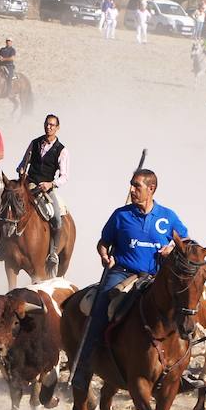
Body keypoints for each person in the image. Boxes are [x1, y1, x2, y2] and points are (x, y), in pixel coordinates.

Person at [72, 168, 187, 392]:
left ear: (151, 189)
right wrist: (104, 255)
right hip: (122, 273)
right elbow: (103, 242)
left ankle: (182, 370)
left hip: (155, 278)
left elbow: (185, 241)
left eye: (137, 186)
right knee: (100, 307)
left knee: (182, 312)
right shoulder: (121, 215)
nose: (132, 190)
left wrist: (172, 246)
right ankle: (83, 367)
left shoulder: (168, 216)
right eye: (132, 185)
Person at [10, 114, 69, 271]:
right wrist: (21, 170)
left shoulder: (62, 150)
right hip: (28, 184)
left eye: (52, 125)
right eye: (47, 124)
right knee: (9, 205)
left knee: (56, 217)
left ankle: (53, 253)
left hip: (47, 189)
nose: (48, 127)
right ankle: (4, 248)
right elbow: (23, 163)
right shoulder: (34, 143)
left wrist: (51, 184)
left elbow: (64, 176)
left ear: (57, 128)